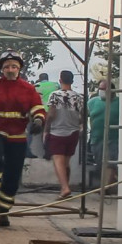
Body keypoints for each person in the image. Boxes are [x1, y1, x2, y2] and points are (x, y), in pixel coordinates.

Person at [0, 52, 47, 226]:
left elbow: (37, 107)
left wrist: (38, 120)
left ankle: (3, 209)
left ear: (19, 68)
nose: (10, 70)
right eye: (7, 66)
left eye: (13, 66)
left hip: (17, 136)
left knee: (13, 174)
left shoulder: (28, 89)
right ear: (1, 69)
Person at [45, 69, 84, 197]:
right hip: (73, 132)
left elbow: (51, 114)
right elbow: (83, 115)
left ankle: (65, 187)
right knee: (66, 163)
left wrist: (46, 130)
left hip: (57, 131)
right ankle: (65, 188)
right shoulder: (78, 97)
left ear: (60, 80)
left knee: (58, 160)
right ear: (72, 81)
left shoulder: (55, 95)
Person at [88, 75, 121, 193]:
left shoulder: (119, 103)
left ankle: (106, 188)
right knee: (100, 163)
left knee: (111, 162)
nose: (101, 91)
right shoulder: (92, 102)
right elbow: (83, 116)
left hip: (114, 138)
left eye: (104, 89)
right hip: (97, 139)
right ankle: (110, 184)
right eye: (100, 89)